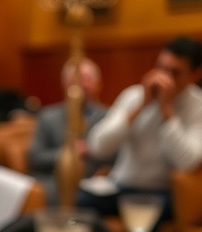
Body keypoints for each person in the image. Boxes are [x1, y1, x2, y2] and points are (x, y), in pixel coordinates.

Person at [78, 36, 202, 222]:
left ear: (195, 75)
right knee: (80, 203)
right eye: (161, 68)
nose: (164, 78)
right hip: (120, 187)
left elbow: (187, 162)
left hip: (162, 193)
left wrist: (166, 111)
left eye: (175, 73)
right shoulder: (133, 96)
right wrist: (139, 107)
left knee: (146, 221)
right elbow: (98, 147)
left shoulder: (197, 106)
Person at [27, 58, 107, 206]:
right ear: (64, 84)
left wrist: (92, 151)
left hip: (94, 182)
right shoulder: (47, 117)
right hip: (55, 182)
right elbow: (34, 156)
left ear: (97, 84)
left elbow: (118, 156)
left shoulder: (109, 117)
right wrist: (68, 153)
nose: (80, 85)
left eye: (86, 79)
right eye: (74, 80)